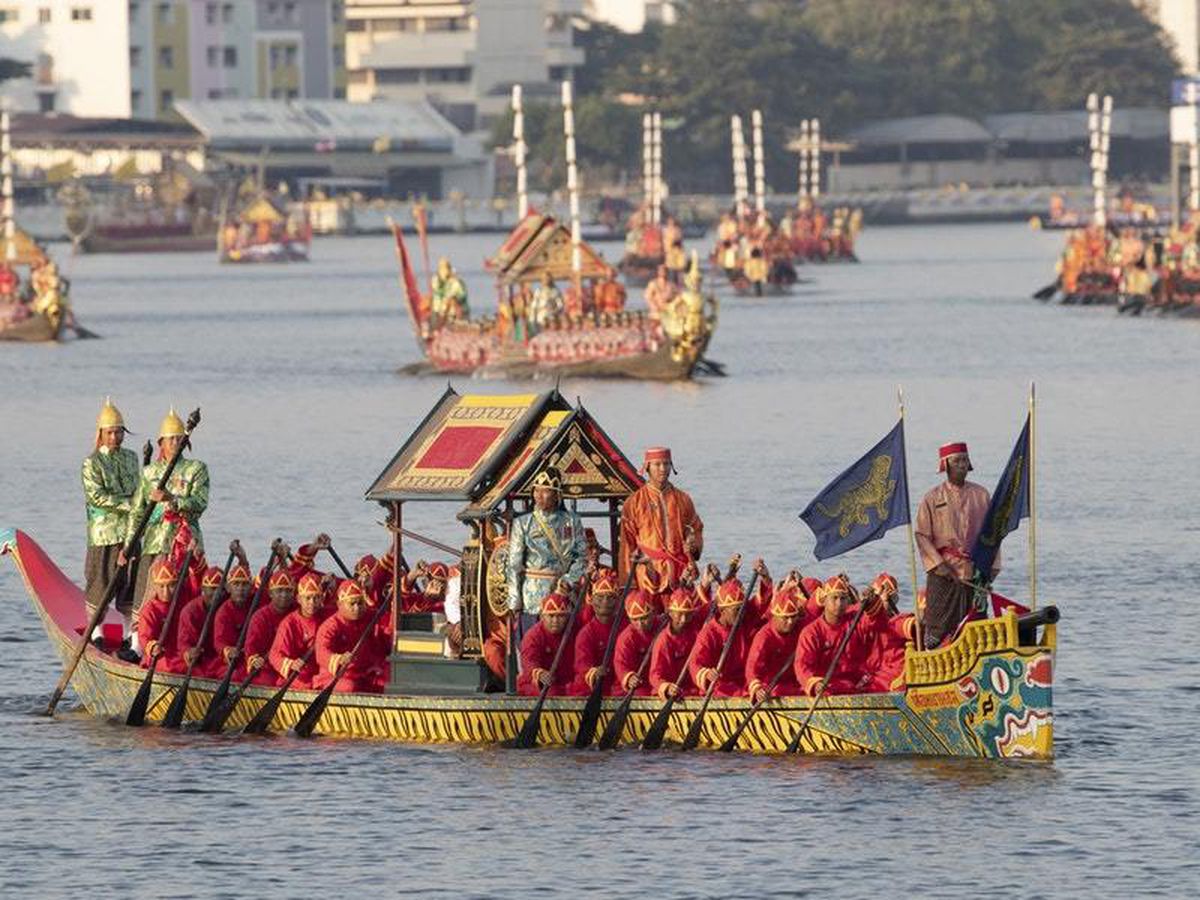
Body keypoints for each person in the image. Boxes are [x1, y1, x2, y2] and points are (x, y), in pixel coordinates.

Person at [124, 407, 209, 633]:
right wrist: (128, 545)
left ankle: (184, 637)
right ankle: (137, 642)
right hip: (155, 541)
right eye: (171, 439)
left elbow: (199, 504)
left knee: (185, 594)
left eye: (179, 438)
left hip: (185, 543)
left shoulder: (196, 469)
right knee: (146, 591)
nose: (175, 443)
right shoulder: (149, 473)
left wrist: (172, 499)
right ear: (161, 442)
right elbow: (137, 511)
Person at [914, 442, 992, 649]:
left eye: (965, 460)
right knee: (938, 628)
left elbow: (993, 534)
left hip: (975, 571)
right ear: (945, 465)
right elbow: (921, 534)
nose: (961, 465)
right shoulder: (932, 498)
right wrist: (939, 564)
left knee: (976, 624)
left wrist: (990, 569)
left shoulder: (982, 495)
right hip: (943, 571)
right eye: (956, 461)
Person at [81, 398, 141, 649]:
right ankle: (96, 632)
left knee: (130, 582)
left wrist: (138, 505)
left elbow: (140, 488)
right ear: (101, 434)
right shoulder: (91, 463)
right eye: (111, 432)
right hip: (104, 532)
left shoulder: (131, 457)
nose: (115, 437)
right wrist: (131, 504)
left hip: (130, 531)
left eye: (119, 432)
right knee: (101, 579)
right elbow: (97, 496)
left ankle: (131, 636)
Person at [619, 447, 703, 607]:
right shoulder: (634, 502)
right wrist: (628, 584)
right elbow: (626, 545)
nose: (663, 469)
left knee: (681, 619)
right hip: (647, 574)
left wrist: (693, 544)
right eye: (657, 464)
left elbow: (696, 528)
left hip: (680, 572)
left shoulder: (683, 499)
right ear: (647, 467)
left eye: (666, 464)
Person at [506, 466, 586, 627]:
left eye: (546, 491)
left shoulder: (572, 521)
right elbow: (514, 564)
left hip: (563, 593)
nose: (539, 496)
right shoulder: (523, 523)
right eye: (536, 491)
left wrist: (568, 581)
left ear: (557, 495)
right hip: (533, 597)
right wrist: (514, 601)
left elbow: (581, 557)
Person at [793, 578, 874, 697]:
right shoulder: (811, 632)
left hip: (856, 683)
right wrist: (814, 684)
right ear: (824, 600)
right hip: (827, 686)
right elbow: (802, 666)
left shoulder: (855, 620)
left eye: (843, 599)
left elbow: (876, 622)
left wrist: (873, 603)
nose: (839, 603)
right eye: (834, 598)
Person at [314, 580, 388, 693]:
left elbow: (387, 626)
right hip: (336, 676)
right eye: (352, 604)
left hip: (364, 673)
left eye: (360, 603)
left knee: (390, 681)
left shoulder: (371, 617)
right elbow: (321, 653)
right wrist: (339, 659)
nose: (357, 608)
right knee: (349, 687)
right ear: (340, 604)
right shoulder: (330, 626)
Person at [689, 577, 753, 697]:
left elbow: (760, 606)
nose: (741, 614)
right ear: (723, 611)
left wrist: (765, 579)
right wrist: (707, 673)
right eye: (736, 610)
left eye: (742, 609)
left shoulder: (743, 623)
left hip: (742, 682)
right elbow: (695, 664)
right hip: (720, 686)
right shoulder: (709, 633)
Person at [744, 582, 805, 704]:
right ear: (775, 617)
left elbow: (815, 613)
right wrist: (757, 688)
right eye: (785, 618)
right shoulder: (763, 637)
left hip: (795, 684)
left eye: (793, 617)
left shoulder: (801, 627)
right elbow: (752, 668)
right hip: (772, 687)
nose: (790, 622)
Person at [648, 577, 706, 700]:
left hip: (693, 689)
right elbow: (655, 675)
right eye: (680, 615)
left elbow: (712, 606)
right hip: (672, 691)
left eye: (687, 615)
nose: (684, 620)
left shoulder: (696, 631)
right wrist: (666, 687)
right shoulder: (663, 640)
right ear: (670, 613)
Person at [268, 572, 327, 690]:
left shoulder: (328, 615)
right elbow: (274, 655)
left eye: (316, 598)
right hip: (300, 675)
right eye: (308, 598)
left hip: (321, 672)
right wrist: (291, 664)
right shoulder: (289, 623)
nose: (312, 602)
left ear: (322, 598)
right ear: (299, 599)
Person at [242, 569, 298, 685]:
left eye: (288, 591)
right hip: (267, 667)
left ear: (293, 593)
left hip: (293, 664)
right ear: (270, 593)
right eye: (279, 591)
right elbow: (251, 648)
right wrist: (254, 660)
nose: (284, 595)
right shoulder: (260, 617)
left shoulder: (298, 612)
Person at [570, 567, 621, 695]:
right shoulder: (586, 634)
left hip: (619, 681)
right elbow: (582, 666)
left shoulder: (625, 626)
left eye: (610, 597)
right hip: (593, 684)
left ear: (617, 601)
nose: (605, 602)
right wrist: (594, 671)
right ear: (592, 601)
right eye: (600, 598)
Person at [516, 591, 575, 696]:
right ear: (542, 617)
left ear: (567, 617)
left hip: (567, 683)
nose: (555, 621)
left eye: (560, 616)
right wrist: (540, 673)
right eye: (551, 616)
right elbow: (529, 662)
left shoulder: (572, 630)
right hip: (538, 684)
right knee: (552, 692)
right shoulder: (533, 636)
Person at [136, 558, 189, 674]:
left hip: (182, 654)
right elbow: (144, 638)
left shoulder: (183, 600)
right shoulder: (150, 610)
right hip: (160, 657)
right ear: (155, 586)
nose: (166, 592)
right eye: (161, 586)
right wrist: (153, 647)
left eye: (171, 586)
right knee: (170, 667)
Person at [612, 589, 657, 696]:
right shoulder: (626, 638)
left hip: (655, 684)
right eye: (635, 620)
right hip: (633, 688)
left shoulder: (662, 626)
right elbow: (620, 664)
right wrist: (628, 677)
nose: (640, 624)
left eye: (644, 618)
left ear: (653, 613)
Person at [430, 257, 469, 326]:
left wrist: (454, 298)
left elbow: (462, 295)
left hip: (455, 313)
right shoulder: (436, 280)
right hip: (439, 311)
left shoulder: (456, 283)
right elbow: (438, 290)